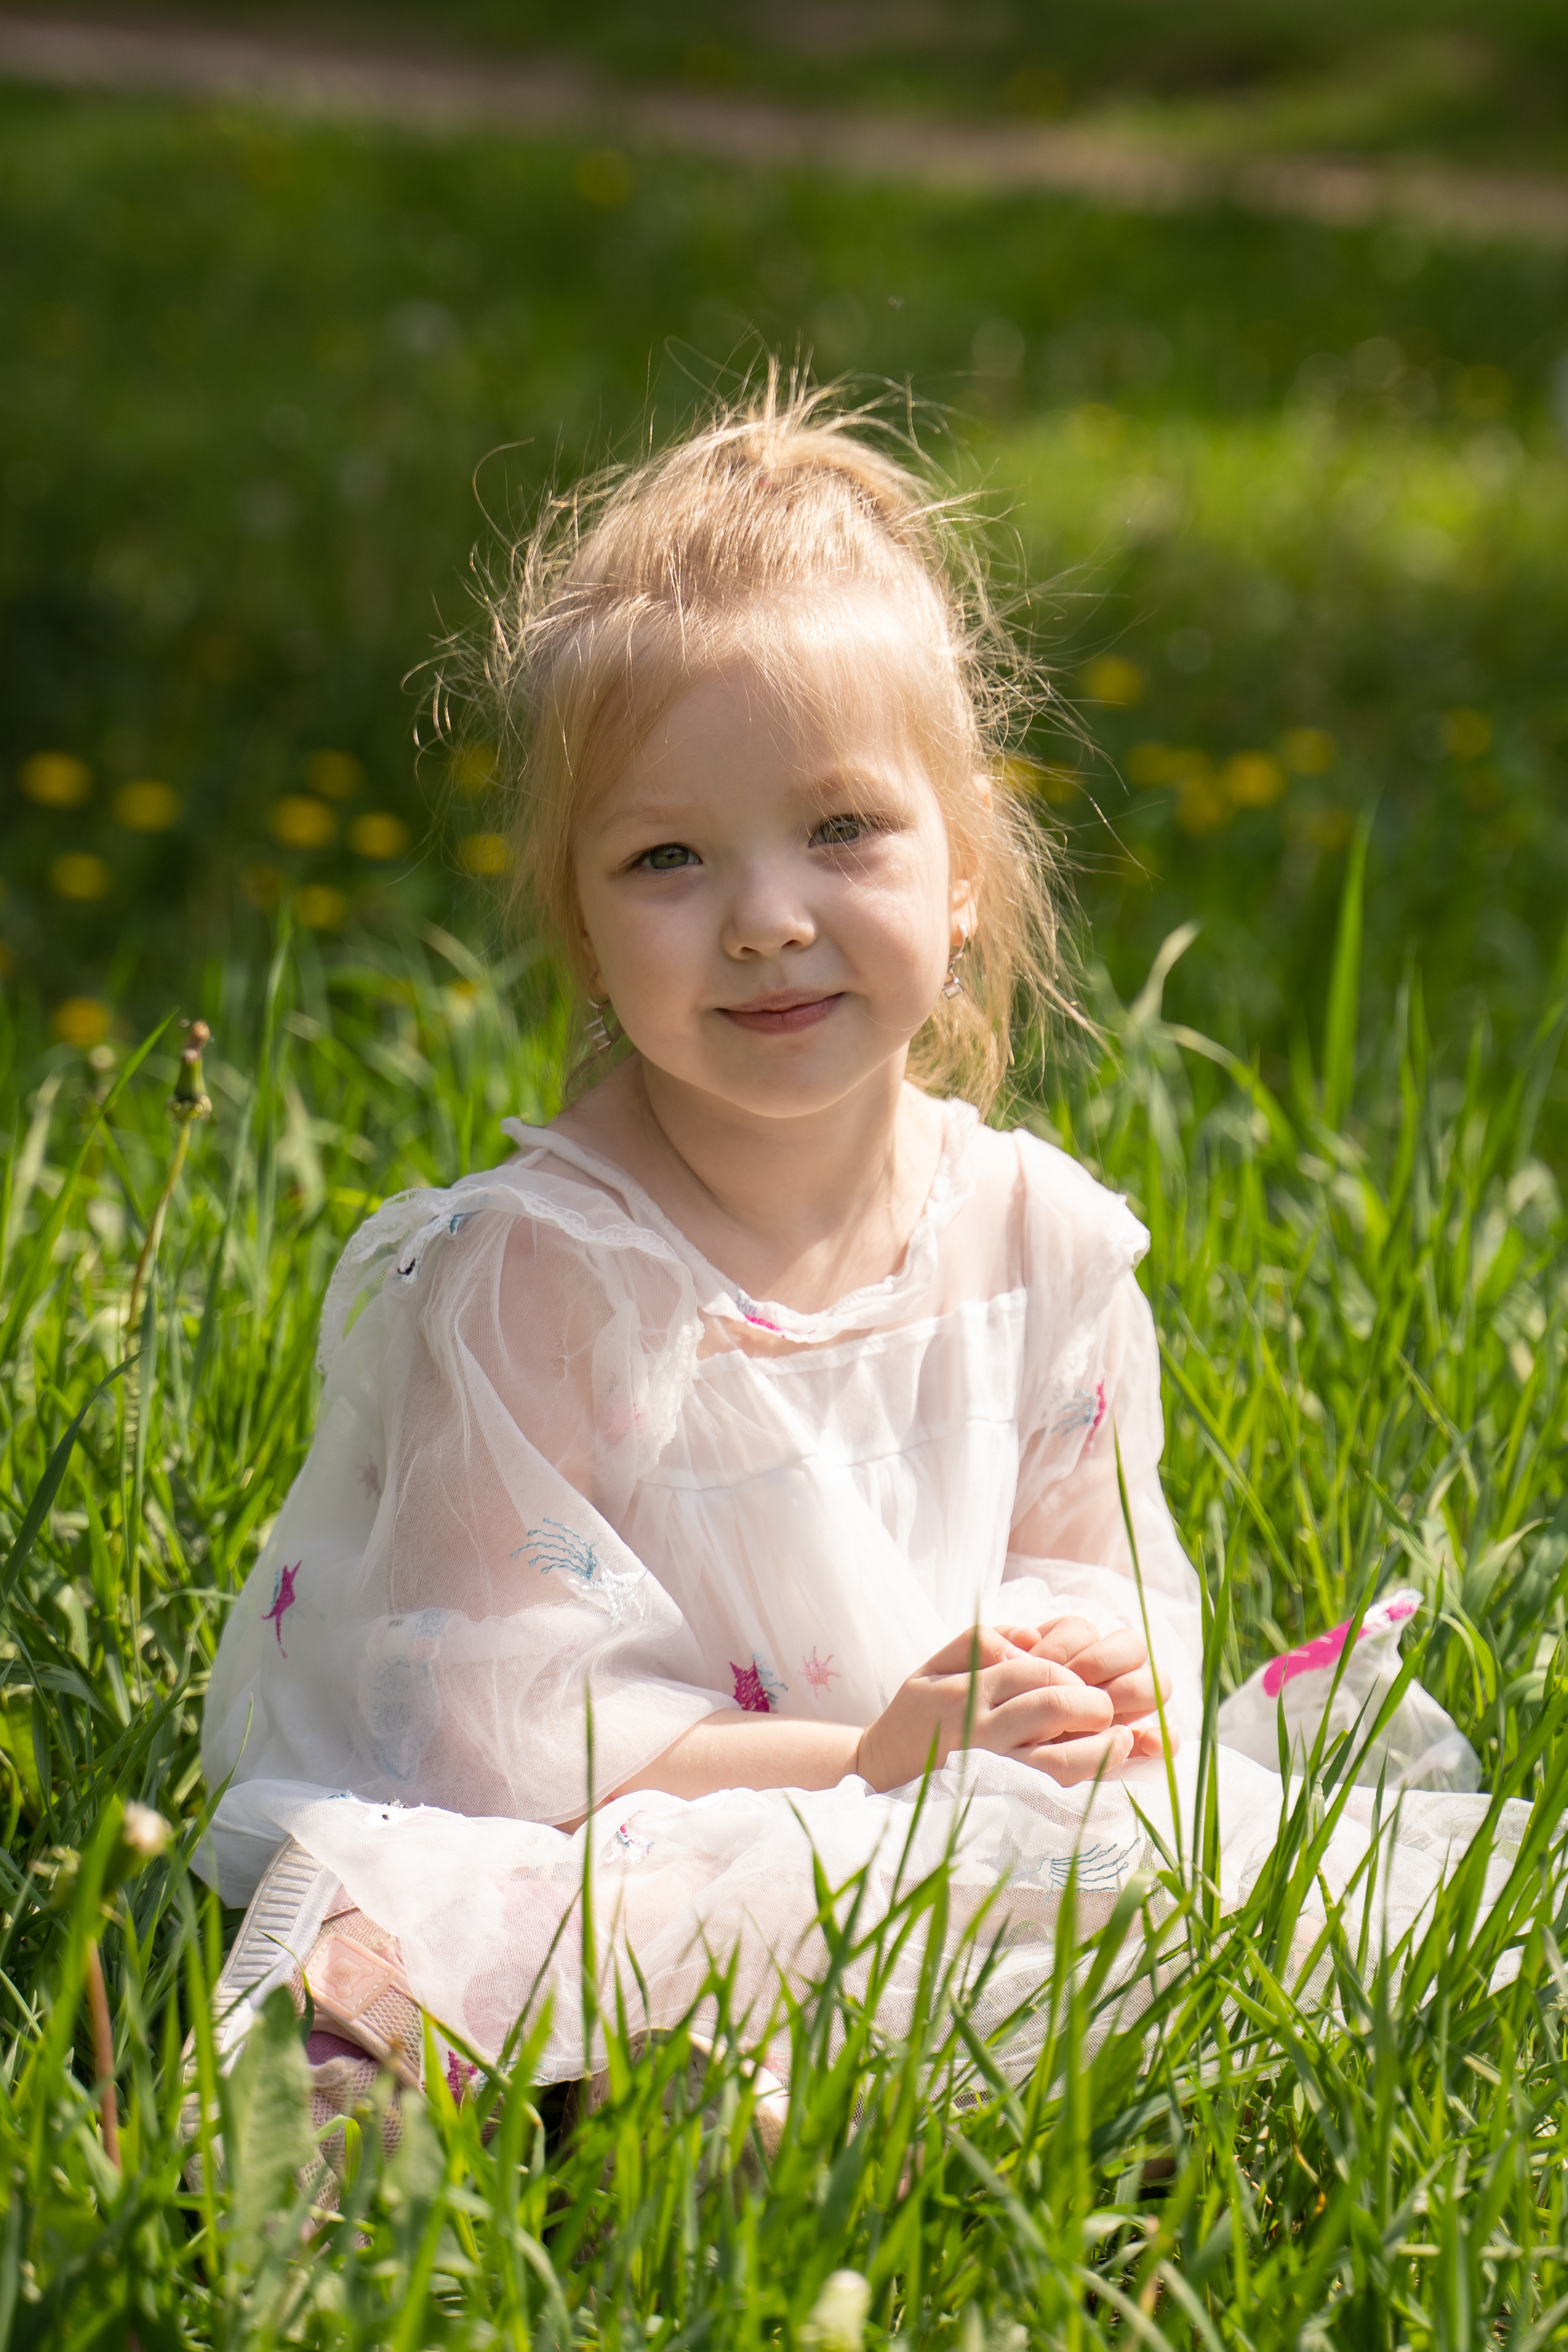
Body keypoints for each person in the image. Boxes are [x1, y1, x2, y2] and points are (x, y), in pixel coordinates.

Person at [198, 379, 1529, 2108]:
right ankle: (562, 2098)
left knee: (1181, 1900)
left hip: (941, 1801)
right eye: (669, 857)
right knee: (478, 1927)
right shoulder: (541, 1280)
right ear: (583, 929)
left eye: (843, 831)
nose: (767, 918)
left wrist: (1092, 1669)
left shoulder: (1038, 1239)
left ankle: (769, 2102)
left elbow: (1093, 1560)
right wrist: (868, 1757)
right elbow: (492, 1743)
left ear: (965, 865)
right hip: (639, 1812)